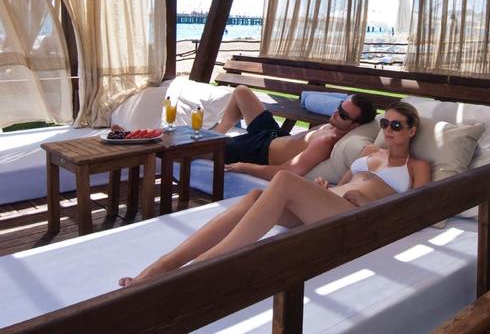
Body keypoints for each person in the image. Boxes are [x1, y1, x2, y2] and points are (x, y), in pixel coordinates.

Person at [119, 101, 429, 287]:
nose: (389, 130)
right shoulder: (370, 150)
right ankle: (164, 265)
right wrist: (325, 189)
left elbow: (416, 212)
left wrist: (372, 203)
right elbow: (342, 185)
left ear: (412, 130)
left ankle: (198, 269)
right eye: (386, 123)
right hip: (334, 205)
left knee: (282, 180)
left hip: (364, 218)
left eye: (397, 125)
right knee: (255, 197)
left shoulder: (417, 166)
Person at [213, 85, 376, 180]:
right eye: (340, 106)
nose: (335, 112)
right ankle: (216, 134)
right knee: (241, 92)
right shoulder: (336, 125)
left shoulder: (327, 141)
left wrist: (245, 167)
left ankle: (211, 140)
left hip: (259, 150)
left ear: (354, 126)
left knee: (201, 149)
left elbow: (287, 171)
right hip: (274, 134)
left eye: (343, 114)